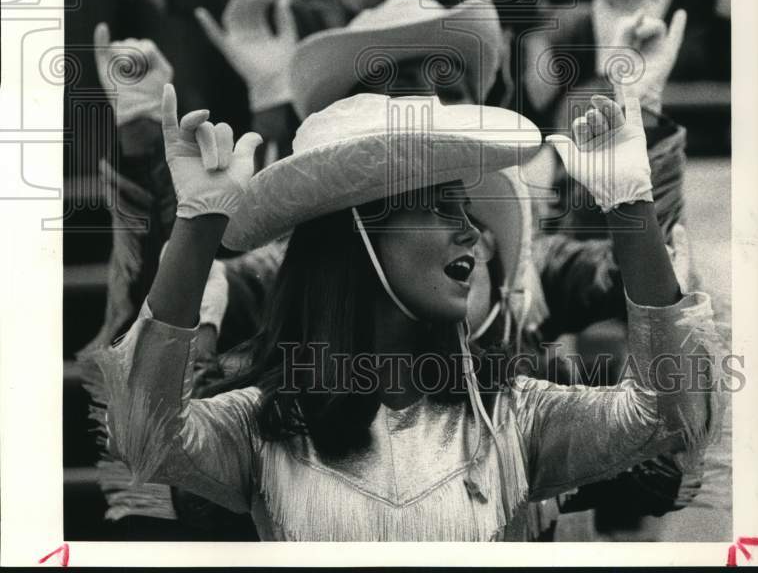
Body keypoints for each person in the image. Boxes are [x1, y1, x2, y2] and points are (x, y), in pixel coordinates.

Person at [91, 72, 723, 541]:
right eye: (441, 206)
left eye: (466, 208)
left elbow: (671, 416)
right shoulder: (261, 425)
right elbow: (145, 436)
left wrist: (631, 205)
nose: (472, 233)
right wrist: (198, 227)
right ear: (358, 235)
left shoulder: (514, 413)